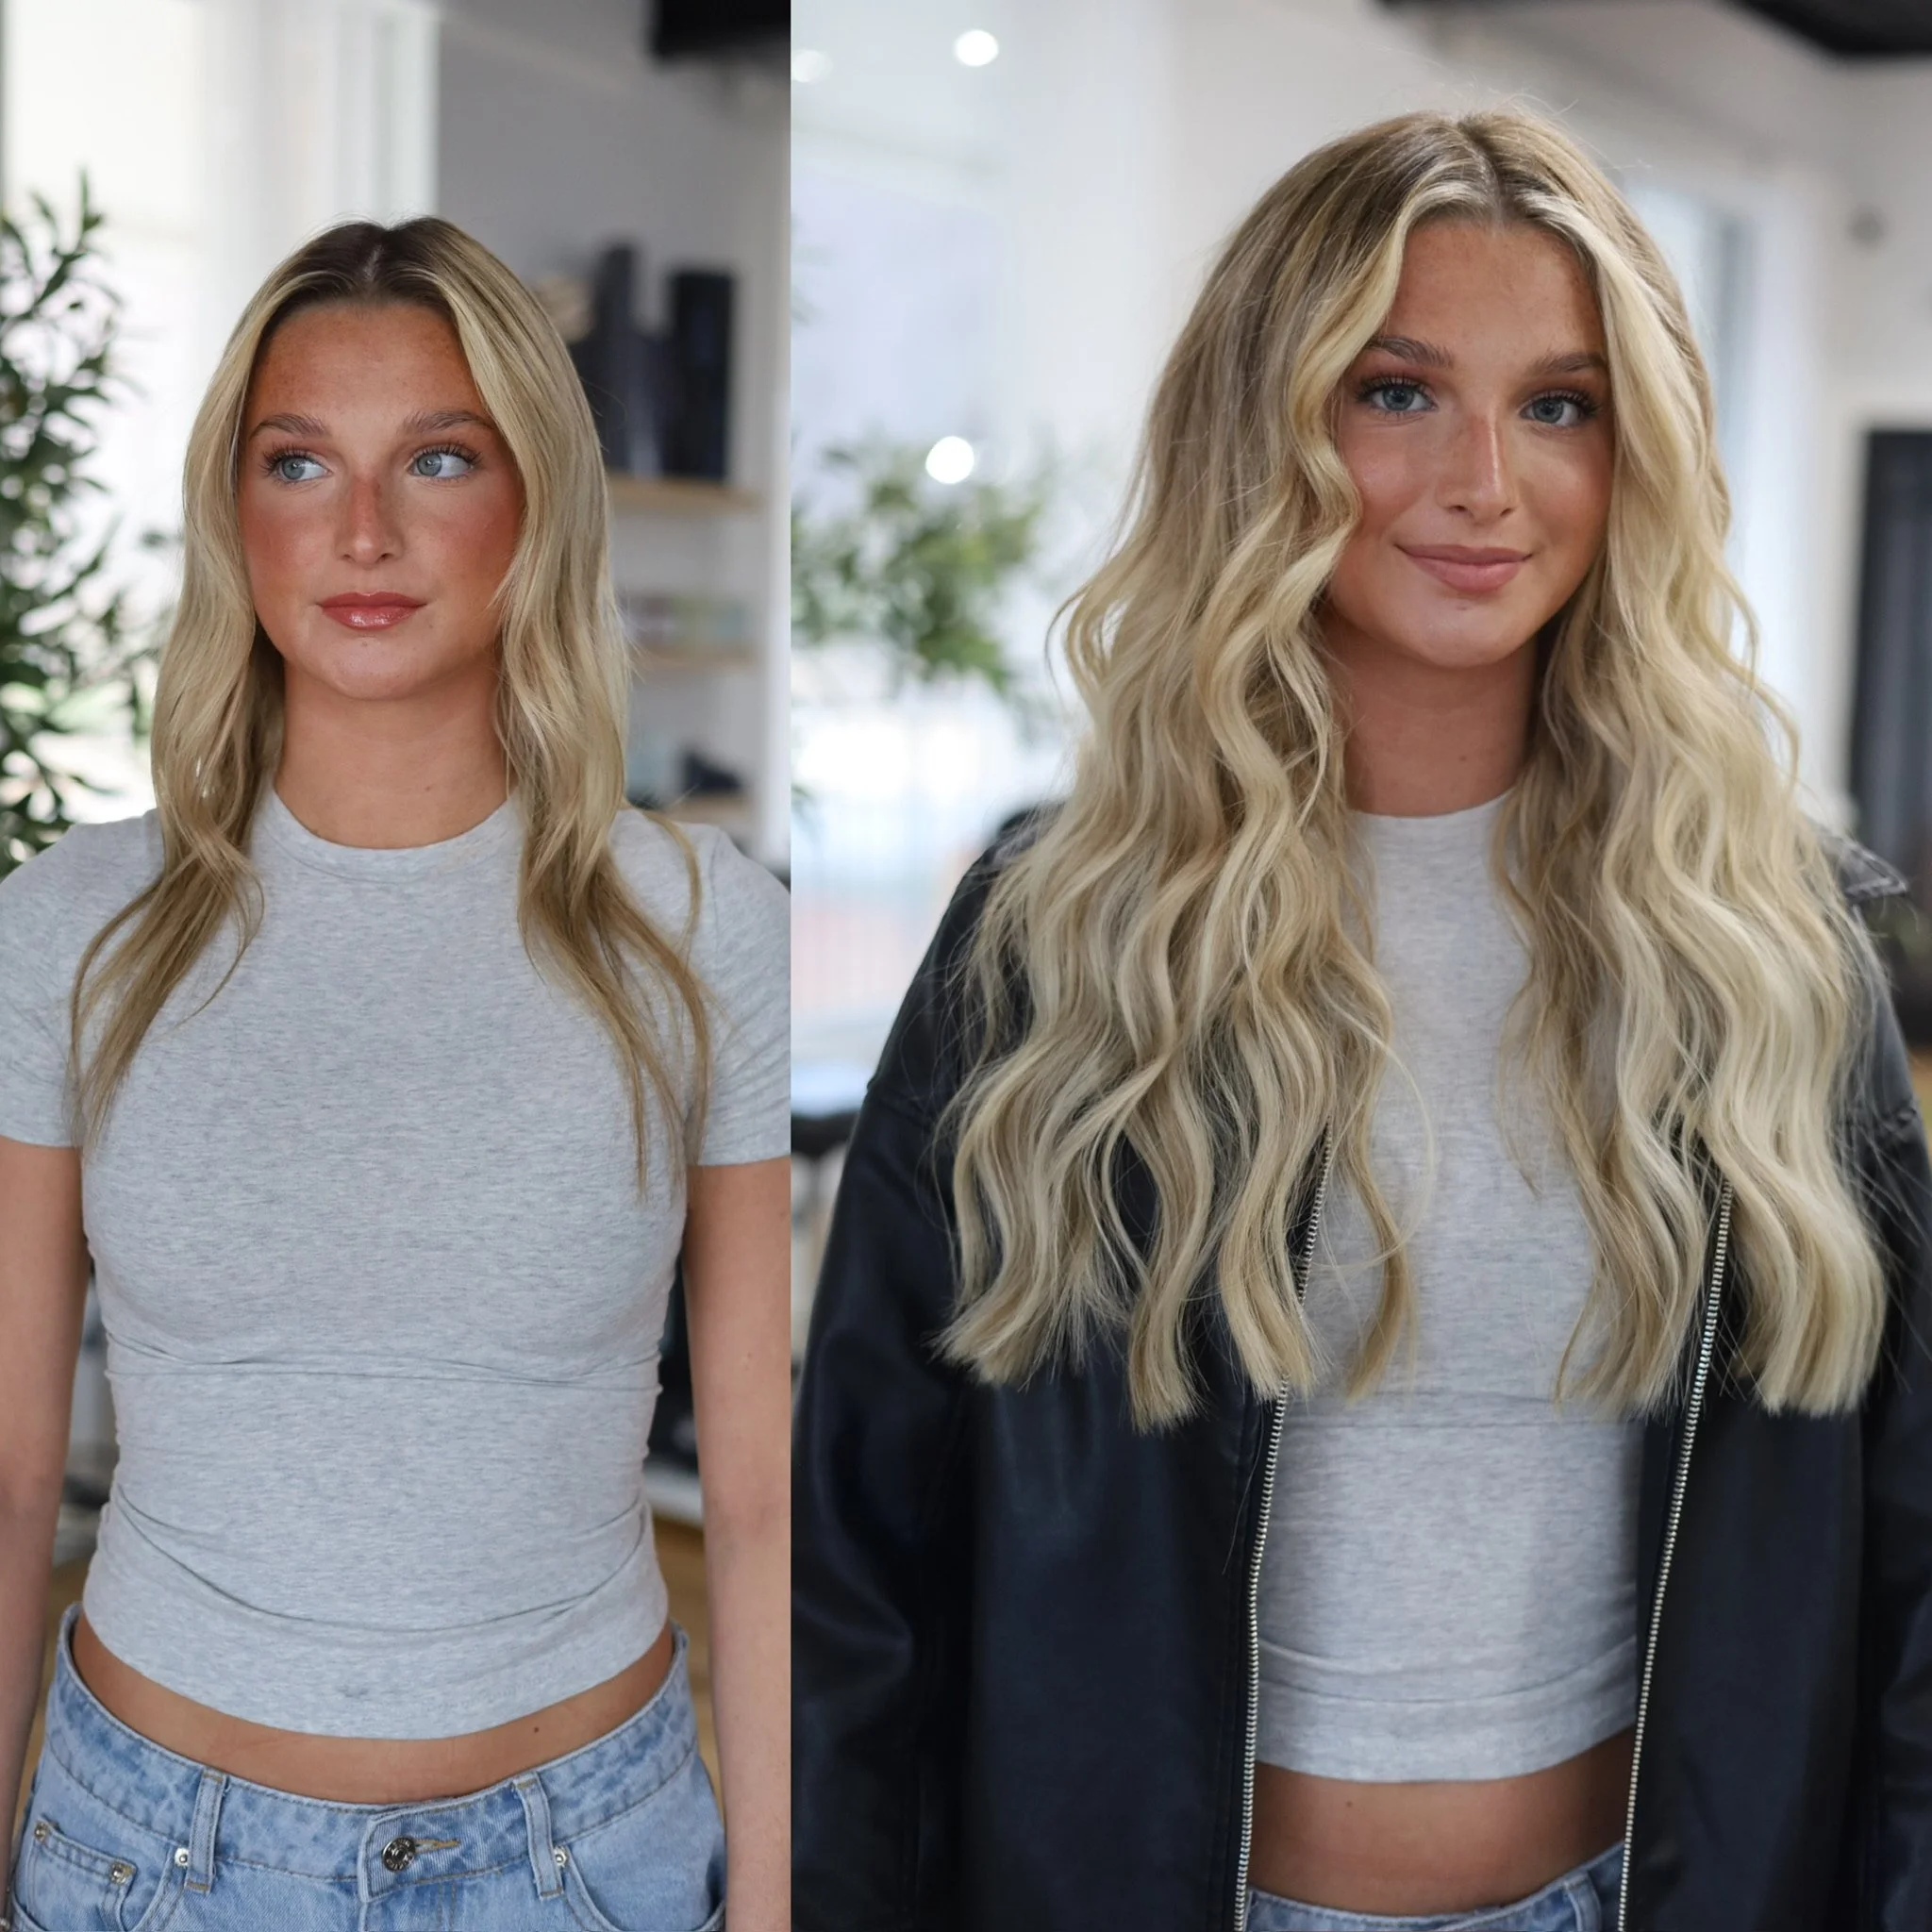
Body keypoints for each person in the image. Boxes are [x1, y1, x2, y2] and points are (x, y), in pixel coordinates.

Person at [791, 108, 1932, 1932]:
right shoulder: (1051, 939)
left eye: (1560, 404)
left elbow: (1908, 1592)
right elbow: (855, 1578)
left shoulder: (1772, 950)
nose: (1486, 480)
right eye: (1397, 393)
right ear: (1269, 430)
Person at [0, 217, 789, 1932]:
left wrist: (781, 1900)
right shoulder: (68, 926)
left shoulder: (702, 928)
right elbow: (3, 1469)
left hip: (593, 1859)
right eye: (301, 464)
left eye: (438, 458)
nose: (362, 531)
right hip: (146, 1860)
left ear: (536, 503)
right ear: (237, 512)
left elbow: (758, 1490)